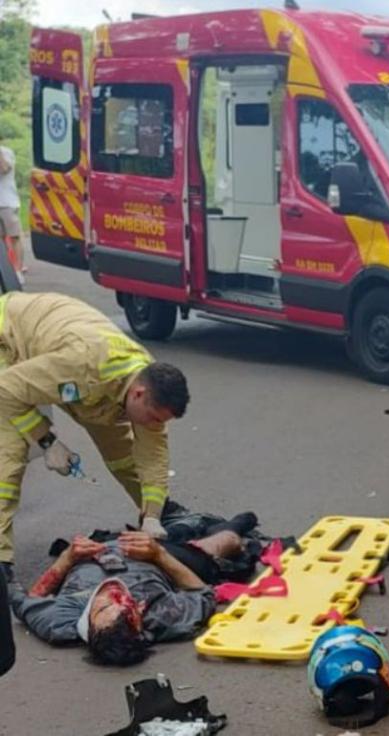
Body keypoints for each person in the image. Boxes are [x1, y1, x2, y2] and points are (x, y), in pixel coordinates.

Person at [0, 292, 190, 583]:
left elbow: (152, 456)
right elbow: (7, 390)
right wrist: (46, 440)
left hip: (71, 365)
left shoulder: (146, 380)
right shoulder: (82, 365)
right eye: (154, 418)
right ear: (139, 394)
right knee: (8, 460)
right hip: (8, 339)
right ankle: (1, 562)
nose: (155, 426)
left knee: (123, 454)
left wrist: (153, 513)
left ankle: (160, 515)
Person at [8, 525, 244, 665]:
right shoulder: (163, 618)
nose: (115, 592)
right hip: (159, 558)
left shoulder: (59, 623)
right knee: (230, 540)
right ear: (140, 615)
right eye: (128, 603)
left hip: (97, 549)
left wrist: (67, 558)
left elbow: (28, 598)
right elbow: (202, 592)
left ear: (88, 625)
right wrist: (159, 554)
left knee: (167, 526)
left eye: (103, 607)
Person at [0, 134, 25, 282]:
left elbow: (4, 169)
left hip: (7, 203)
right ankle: (5, 272)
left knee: (14, 237)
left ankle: (18, 271)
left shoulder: (6, 152)